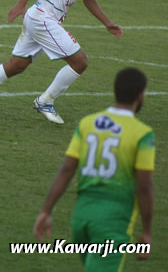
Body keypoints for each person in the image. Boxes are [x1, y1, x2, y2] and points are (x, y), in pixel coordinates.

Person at [33, 67, 154, 269]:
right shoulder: (142, 134)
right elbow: (144, 186)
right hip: (114, 220)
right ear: (141, 96)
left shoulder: (87, 123)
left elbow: (67, 169)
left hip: (81, 216)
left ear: (115, 89)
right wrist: (147, 231)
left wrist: (46, 210)